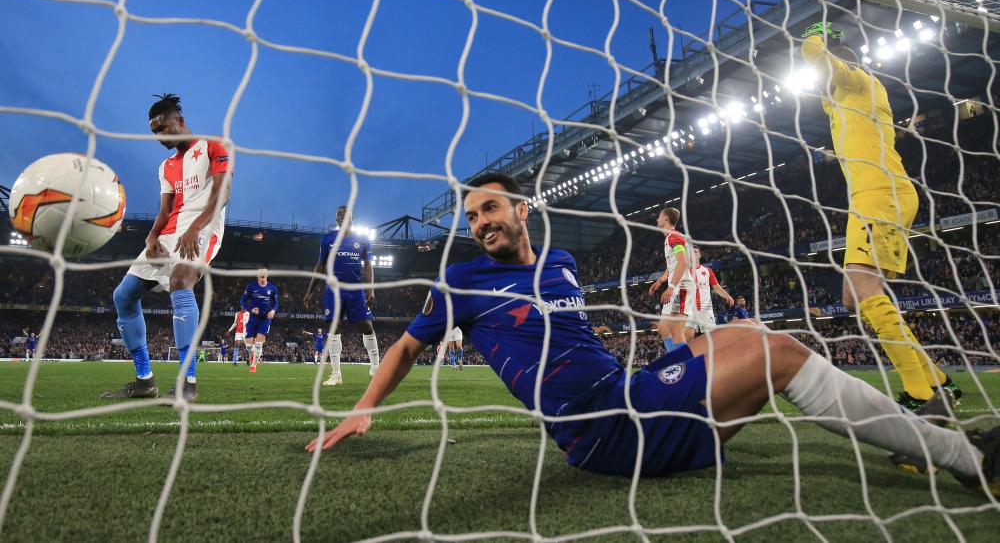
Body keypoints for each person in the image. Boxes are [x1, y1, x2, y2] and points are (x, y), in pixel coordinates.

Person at [306, 172, 1000, 497]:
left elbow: (569, 335)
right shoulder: (463, 280)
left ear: (521, 210)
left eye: (490, 209)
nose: (480, 222)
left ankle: (930, 440)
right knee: (779, 353)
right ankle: (965, 459)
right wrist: (364, 407)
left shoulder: (563, 262)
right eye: (472, 216)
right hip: (604, 431)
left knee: (750, 330)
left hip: (628, 392)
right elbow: (406, 346)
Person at [801, 22, 960, 410]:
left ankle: (920, 393)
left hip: (880, 195)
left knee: (864, 292)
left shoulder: (861, 82)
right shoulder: (841, 100)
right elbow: (824, 92)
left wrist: (817, 36)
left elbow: (814, 55)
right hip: (874, 197)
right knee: (853, 297)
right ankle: (939, 381)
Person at [101, 93, 232, 402]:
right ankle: (144, 381)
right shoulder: (166, 167)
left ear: (180, 121)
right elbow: (164, 211)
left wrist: (195, 228)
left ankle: (187, 384)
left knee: (180, 281)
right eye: (154, 132)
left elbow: (223, 193)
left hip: (204, 227)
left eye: (162, 128)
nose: (159, 136)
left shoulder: (214, 147)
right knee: (123, 295)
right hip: (169, 233)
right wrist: (151, 237)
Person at [302, 205, 380, 386]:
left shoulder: (363, 239)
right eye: (339, 214)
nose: (341, 215)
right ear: (336, 219)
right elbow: (320, 266)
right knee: (333, 327)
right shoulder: (327, 239)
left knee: (366, 326)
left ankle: (376, 368)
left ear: (353, 217)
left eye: (345, 213)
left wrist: (370, 290)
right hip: (333, 290)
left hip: (355, 290)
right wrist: (310, 291)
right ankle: (336, 374)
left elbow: (368, 265)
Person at [648, 207, 696, 353]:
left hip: (681, 286)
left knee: (676, 330)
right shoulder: (671, 237)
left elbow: (683, 262)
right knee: (663, 328)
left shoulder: (673, 237)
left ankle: (686, 364)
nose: (657, 219)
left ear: (666, 218)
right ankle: (675, 359)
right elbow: (673, 265)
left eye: (659, 216)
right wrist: (661, 281)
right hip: (676, 286)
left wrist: (671, 287)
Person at [685, 245, 734, 341]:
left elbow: (717, 287)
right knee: (688, 337)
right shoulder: (684, 271)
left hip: (706, 309)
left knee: (711, 338)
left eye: (695, 252)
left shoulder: (707, 271)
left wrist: (728, 296)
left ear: (699, 255)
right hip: (689, 309)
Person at [241, 268, 279, 374]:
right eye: (261, 275)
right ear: (257, 276)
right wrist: (250, 310)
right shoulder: (251, 287)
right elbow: (242, 301)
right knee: (248, 345)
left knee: (258, 343)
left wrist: (273, 310)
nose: (262, 277)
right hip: (253, 317)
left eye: (264, 275)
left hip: (265, 318)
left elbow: (276, 303)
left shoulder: (272, 288)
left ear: (267, 276)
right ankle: (252, 354)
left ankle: (254, 365)